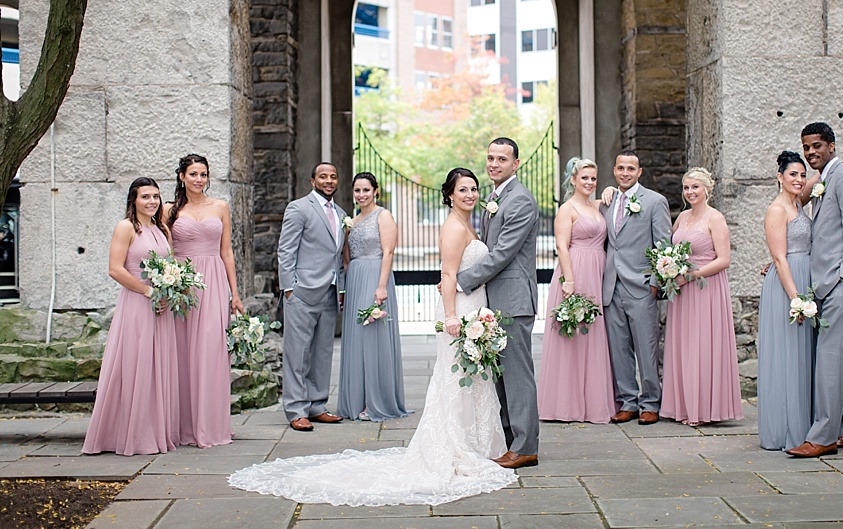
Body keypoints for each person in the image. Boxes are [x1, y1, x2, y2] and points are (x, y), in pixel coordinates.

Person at [229, 168, 517, 505]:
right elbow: (447, 272)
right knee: (452, 379)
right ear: (450, 195)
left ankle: (474, 441)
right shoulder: (452, 226)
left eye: (473, 189)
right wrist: (451, 315)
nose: (470, 194)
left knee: (467, 378)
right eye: (463, 189)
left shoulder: (466, 222)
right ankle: (451, 444)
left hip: (468, 304)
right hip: (450, 310)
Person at [787, 122, 843, 458]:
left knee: (829, 356)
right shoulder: (827, 176)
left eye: (816, 146)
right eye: (806, 147)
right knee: (842, 358)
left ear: (832, 145)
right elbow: (795, 195)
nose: (811, 152)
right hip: (825, 282)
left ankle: (823, 436)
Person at [457, 138, 541, 469]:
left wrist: (463, 280)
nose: (494, 163)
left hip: (514, 298)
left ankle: (525, 447)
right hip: (497, 298)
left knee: (518, 375)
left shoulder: (520, 200)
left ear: (515, 163)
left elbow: (503, 253)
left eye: (502, 159)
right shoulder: (496, 198)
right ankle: (510, 440)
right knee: (502, 375)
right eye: (491, 157)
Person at [83, 178, 180, 455]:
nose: (152, 201)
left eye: (156, 197)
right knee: (136, 366)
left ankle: (153, 431)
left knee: (156, 368)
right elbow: (115, 269)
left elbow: (170, 265)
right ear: (133, 200)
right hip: (137, 305)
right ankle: (127, 434)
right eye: (145, 197)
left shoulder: (161, 229)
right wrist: (148, 292)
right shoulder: (126, 228)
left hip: (161, 307)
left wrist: (169, 290)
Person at [165, 154, 242, 448]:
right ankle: (183, 425)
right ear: (182, 177)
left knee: (210, 350)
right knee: (182, 352)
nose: (199, 180)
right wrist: (170, 281)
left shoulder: (220, 207)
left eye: (204, 174)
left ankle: (210, 424)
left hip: (213, 281)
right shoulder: (169, 210)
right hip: (182, 284)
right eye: (194, 174)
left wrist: (234, 293)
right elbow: (164, 250)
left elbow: (227, 252)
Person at [661, 167, 743, 426]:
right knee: (684, 346)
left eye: (695, 187)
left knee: (702, 345)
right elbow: (671, 248)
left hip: (706, 288)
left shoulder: (715, 218)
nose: (690, 192)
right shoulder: (683, 217)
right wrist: (668, 266)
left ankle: (704, 409)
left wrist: (691, 276)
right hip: (683, 291)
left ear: (707, 188)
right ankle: (683, 406)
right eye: (686, 188)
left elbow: (724, 260)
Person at [537, 158, 617, 423]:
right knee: (573, 337)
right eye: (584, 178)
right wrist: (569, 282)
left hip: (597, 271)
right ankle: (565, 404)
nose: (590, 183)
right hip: (575, 271)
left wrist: (611, 190)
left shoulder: (595, 206)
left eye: (593, 178)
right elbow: (561, 246)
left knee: (593, 334)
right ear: (573, 180)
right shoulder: (567, 209)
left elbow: (613, 200)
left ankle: (592, 402)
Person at [601, 150, 671, 425]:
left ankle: (651, 402)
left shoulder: (655, 201)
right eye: (621, 168)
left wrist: (656, 282)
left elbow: (663, 245)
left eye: (631, 168)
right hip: (612, 284)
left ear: (639, 172)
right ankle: (628, 401)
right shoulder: (608, 201)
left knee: (647, 347)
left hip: (642, 285)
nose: (625, 173)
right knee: (619, 348)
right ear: (615, 171)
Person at [277, 162, 347, 431]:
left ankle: (317, 405)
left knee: (322, 352)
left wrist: (339, 288)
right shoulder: (299, 208)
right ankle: (296, 409)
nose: (329, 180)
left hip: (329, 291)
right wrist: (289, 287)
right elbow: (286, 250)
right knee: (298, 353)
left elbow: (337, 255)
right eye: (323, 176)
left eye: (333, 176)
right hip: (302, 291)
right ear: (312, 181)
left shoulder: (341, 213)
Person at [336, 172, 411, 421]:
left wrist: (381, 286)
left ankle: (376, 401)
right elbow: (346, 257)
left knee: (374, 338)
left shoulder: (384, 215)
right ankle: (356, 399)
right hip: (356, 278)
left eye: (366, 190)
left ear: (375, 190)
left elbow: (388, 252)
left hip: (375, 277)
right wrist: (345, 288)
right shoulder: (352, 221)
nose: (361, 195)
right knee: (357, 338)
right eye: (357, 190)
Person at [758, 151, 815, 450]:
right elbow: (779, 258)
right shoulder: (777, 210)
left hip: (804, 277)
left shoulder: (798, 202)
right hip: (788, 286)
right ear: (779, 176)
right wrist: (797, 300)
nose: (799, 179)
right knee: (788, 358)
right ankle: (784, 429)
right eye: (793, 174)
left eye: (802, 175)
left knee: (802, 358)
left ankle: (806, 426)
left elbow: (823, 174)